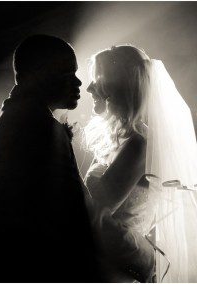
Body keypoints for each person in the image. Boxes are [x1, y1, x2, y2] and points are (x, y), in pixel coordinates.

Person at [0, 35, 101, 282]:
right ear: (39, 73)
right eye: (67, 72)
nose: (78, 82)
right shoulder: (39, 125)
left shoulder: (17, 113)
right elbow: (73, 216)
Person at [84, 45, 197, 282]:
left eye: (97, 79)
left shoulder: (139, 145)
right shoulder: (117, 137)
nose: (89, 87)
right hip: (100, 258)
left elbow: (96, 213)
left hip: (115, 268)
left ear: (121, 86)